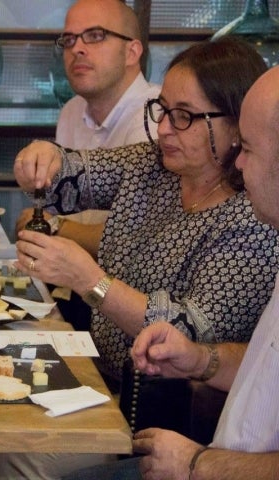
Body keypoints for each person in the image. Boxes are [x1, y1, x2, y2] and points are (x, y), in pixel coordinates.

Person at [0, 38, 279, 479]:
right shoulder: (153, 165)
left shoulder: (253, 217)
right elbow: (73, 174)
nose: (164, 130)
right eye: (161, 111)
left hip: (156, 411)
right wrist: (43, 159)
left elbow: (186, 329)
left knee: (11, 451)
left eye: (184, 116)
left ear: (237, 129)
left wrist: (90, 281)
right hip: (95, 374)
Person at [67, 63, 279, 479]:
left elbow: (203, 320)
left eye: (249, 150)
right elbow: (263, 363)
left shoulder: (253, 226)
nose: (238, 166)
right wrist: (199, 359)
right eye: (162, 111)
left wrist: (197, 463)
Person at [16, 0, 161, 256]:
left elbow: (140, 238)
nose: (77, 49)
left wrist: (51, 225)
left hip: (124, 291)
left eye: (95, 36)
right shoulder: (72, 110)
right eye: (69, 40)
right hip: (68, 280)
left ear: (132, 52)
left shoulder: (157, 115)